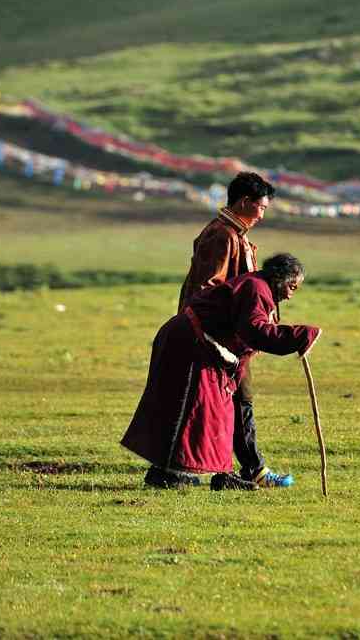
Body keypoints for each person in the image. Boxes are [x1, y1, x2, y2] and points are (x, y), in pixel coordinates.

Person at [122, 253, 321, 490]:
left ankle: (217, 473)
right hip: (189, 345)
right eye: (291, 286)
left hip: (197, 345)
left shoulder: (257, 287)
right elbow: (254, 331)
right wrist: (301, 335)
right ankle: (167, 474)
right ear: (279, 277)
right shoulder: (255, 289)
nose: (290, 295)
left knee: (218, 411)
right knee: (186, 409)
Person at [177, 171, 291, 488]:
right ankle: (247, 470)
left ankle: (227, 469)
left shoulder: (234, 235)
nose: (263, 215)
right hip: (217, 338)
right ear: (244, 202)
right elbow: (207, 291)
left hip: (230, 338)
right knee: (235, 402)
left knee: (228, 402)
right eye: (262, 207)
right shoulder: (223, 236)